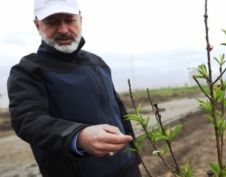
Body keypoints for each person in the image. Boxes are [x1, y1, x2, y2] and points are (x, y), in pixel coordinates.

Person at [7, 0, 142, 176]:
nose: (63, 29)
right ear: (37, 24)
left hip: (127, 169)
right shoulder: (27, 70)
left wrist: (135, 157)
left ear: (80, 20)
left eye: (69, 20)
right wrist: (77, 136)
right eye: (53, 22)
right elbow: (27, 120)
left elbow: (118, 111)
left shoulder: (98, 63)